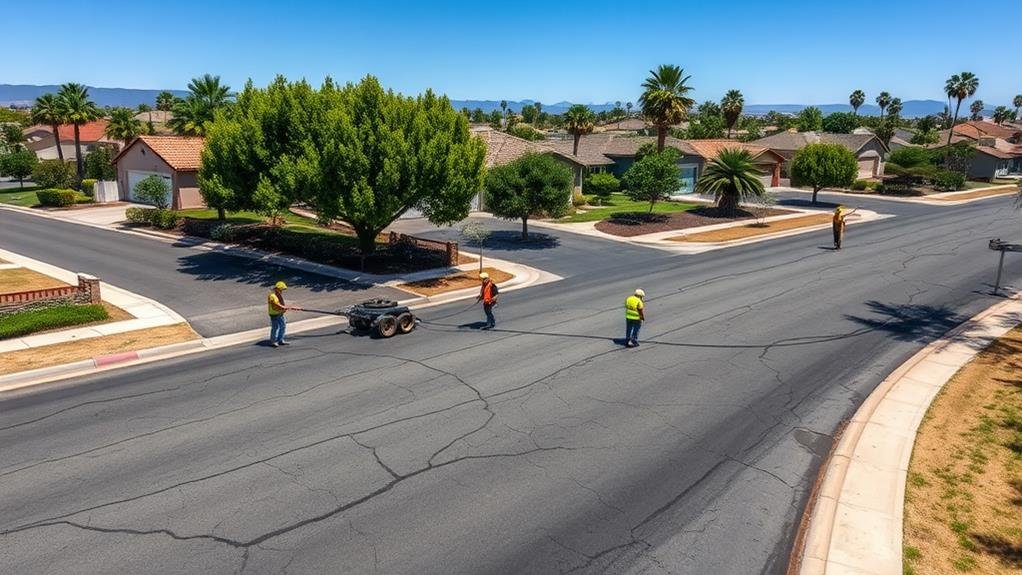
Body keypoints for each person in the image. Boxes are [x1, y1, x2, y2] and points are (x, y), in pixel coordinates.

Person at [268, 281, 301, 347]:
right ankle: (273, 341)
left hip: (280, 314)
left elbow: (281, 305)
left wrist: (288, 308)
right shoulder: (272, 296)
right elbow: (277, 305)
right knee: (275, 327)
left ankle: (280, 340)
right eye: (281, 289)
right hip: (274, 314)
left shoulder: (278, 295)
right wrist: (290, 308)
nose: (282, 291)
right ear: (277, 289)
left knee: (283, 326)